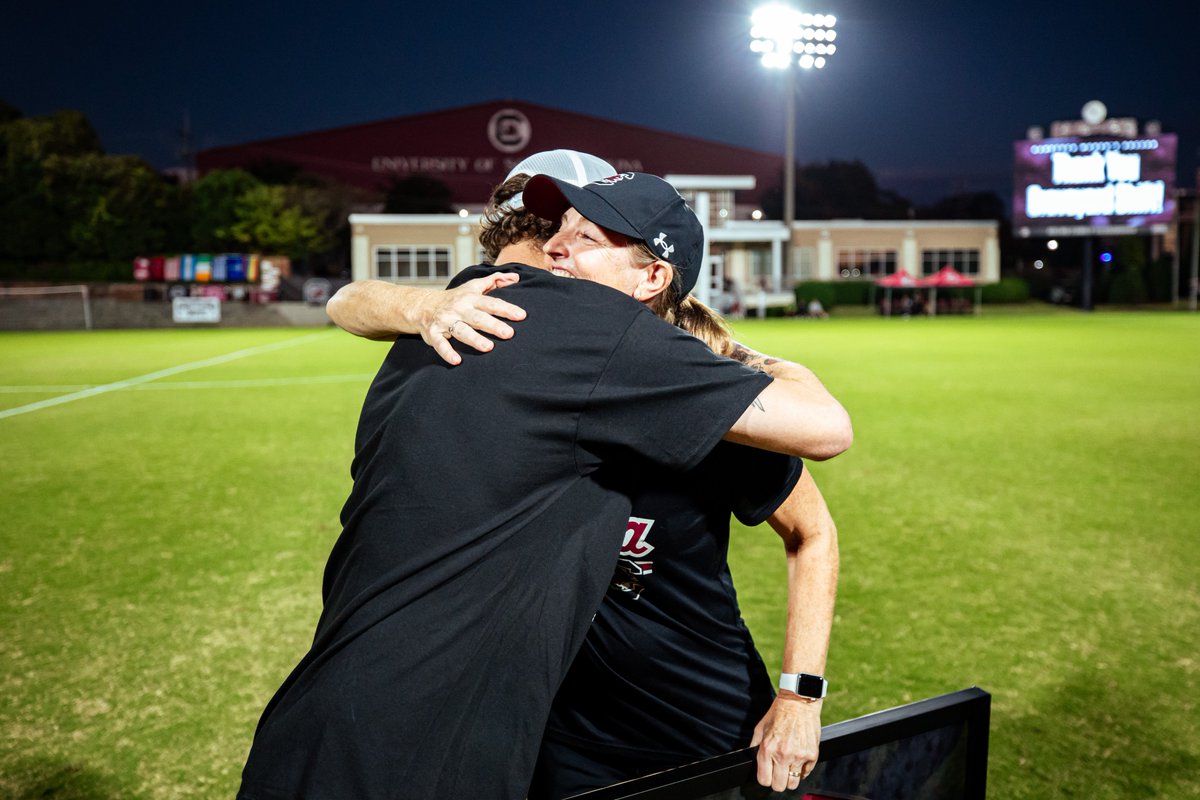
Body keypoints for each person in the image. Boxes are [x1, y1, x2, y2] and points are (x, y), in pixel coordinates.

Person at [326, 156, 840, 795]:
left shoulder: (709, 403)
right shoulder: (519, 358)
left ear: (652, 276)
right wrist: (425, 305)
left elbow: (813, 530)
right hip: (556, 728)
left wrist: (799, 697)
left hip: (698, 719)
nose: (555, 249)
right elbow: (349, 300)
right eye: (558, 231)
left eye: (585, 236)